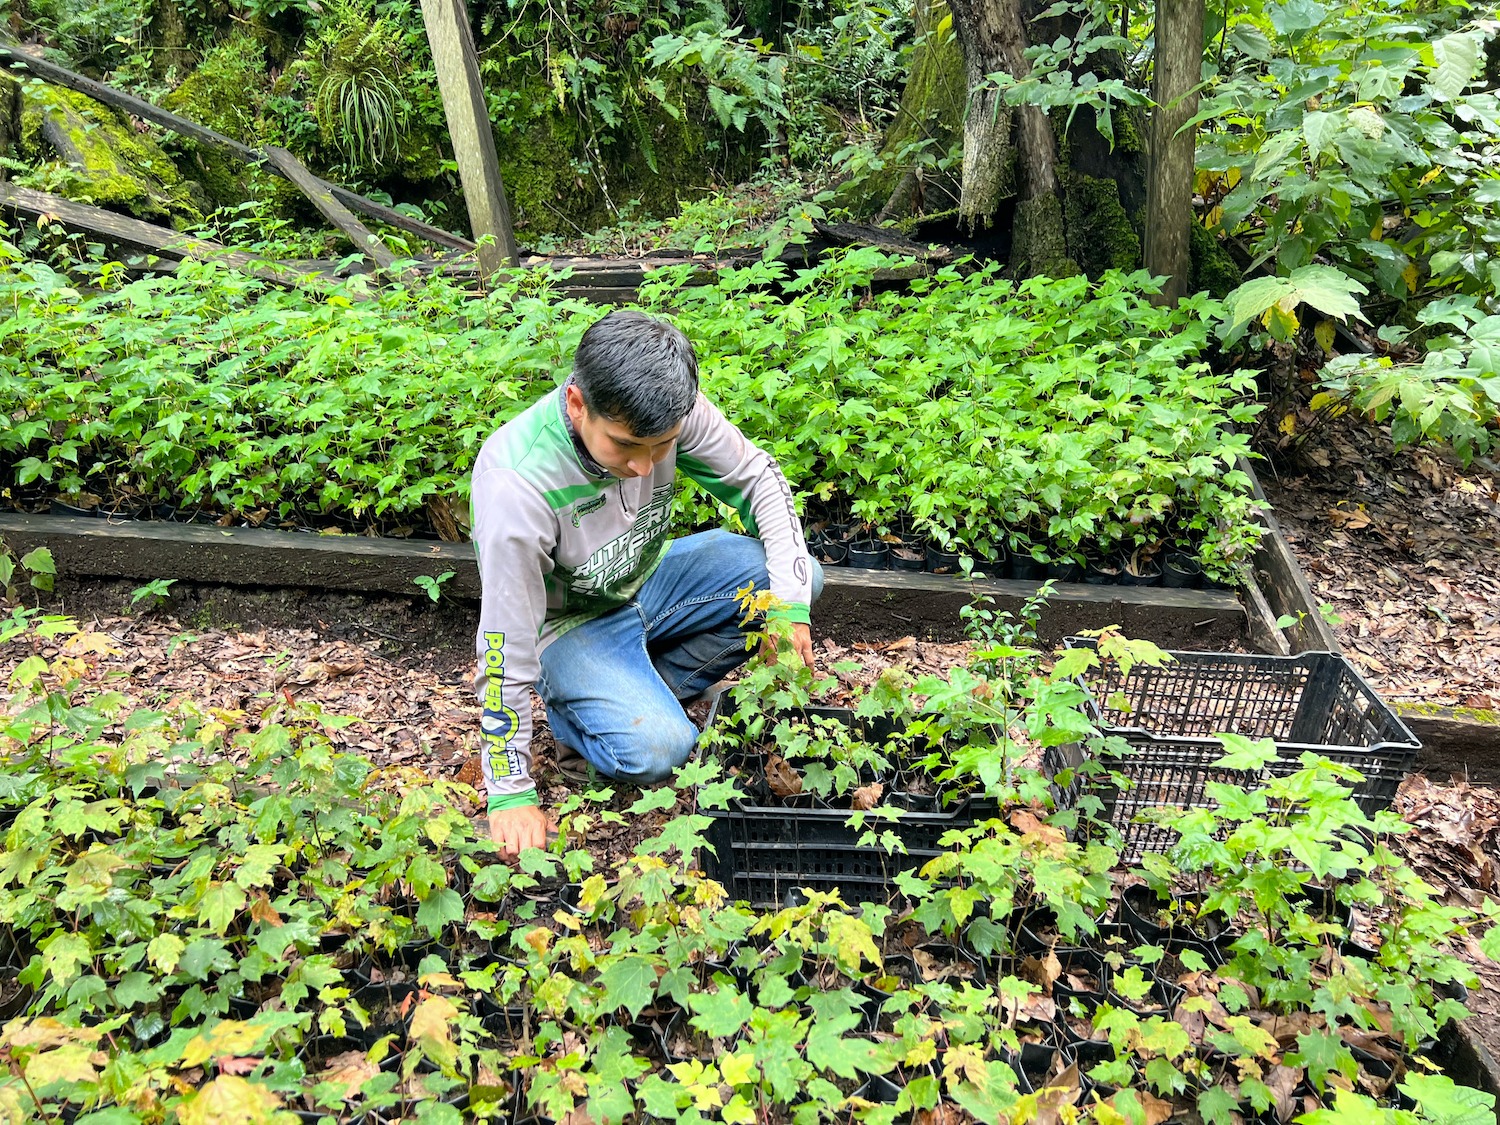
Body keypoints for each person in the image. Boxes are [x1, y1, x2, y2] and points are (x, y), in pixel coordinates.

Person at [470, 309, 824, 859]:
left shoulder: (669, 409)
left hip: (647, 577)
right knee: (661, 749)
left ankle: (641, 681)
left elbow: (760, 478)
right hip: (569, 625)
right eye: (625, 446)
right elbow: (503, 642)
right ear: (577, 404)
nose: (645, 466)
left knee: (794, 581)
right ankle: (574, 716)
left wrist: (789, 610)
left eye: (662, 447)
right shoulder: (518, 486)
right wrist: (508, 790)